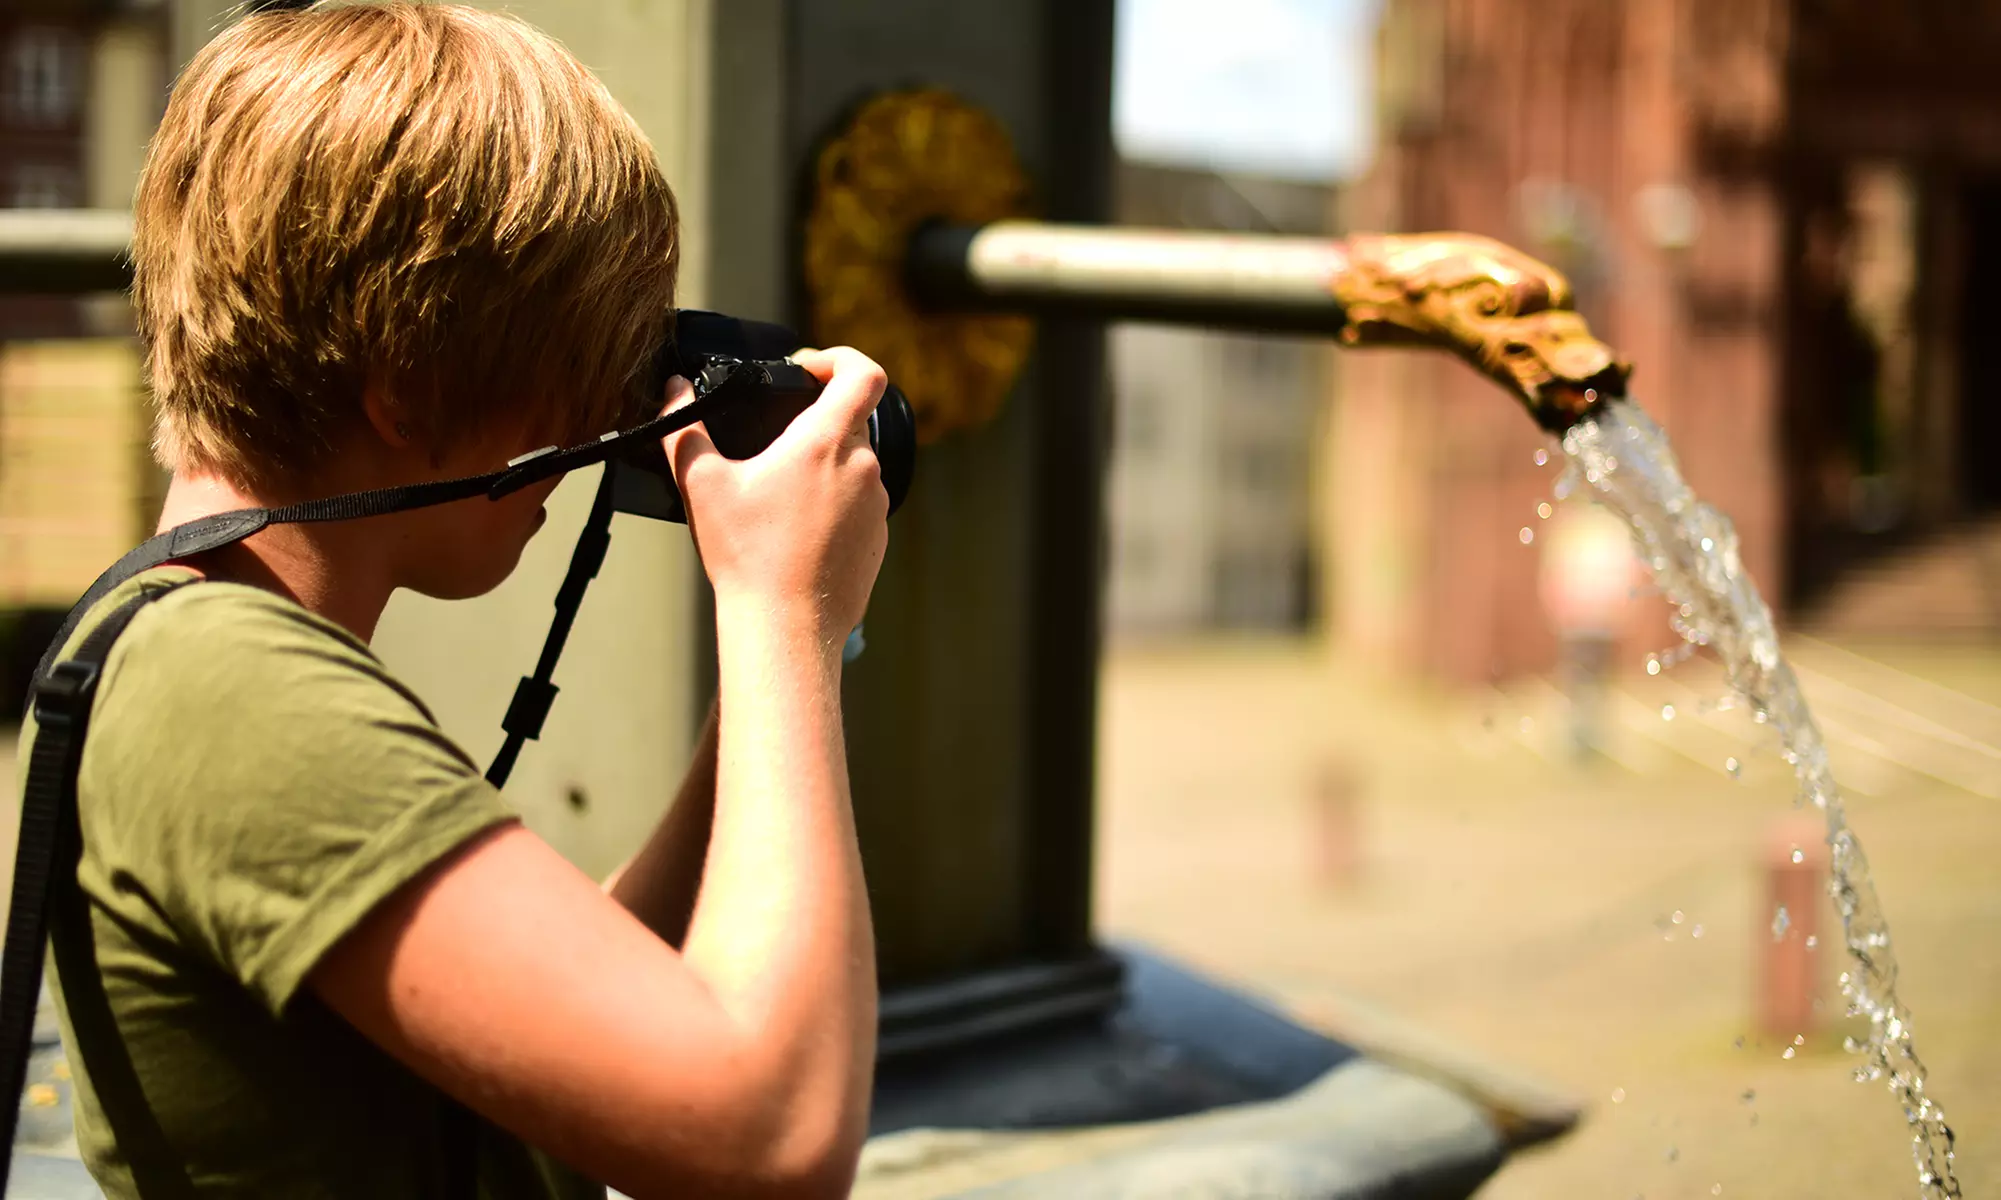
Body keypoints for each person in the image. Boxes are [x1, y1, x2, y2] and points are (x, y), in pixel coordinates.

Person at [21, 4, 887, 1197]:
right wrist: (781, 611)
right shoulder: (238, 699)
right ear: (414, 386)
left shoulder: (185, 641)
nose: (597, 431)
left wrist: (793, 640)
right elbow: (770, 1138)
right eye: (575, 371)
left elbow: (574, 1032)